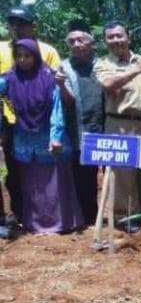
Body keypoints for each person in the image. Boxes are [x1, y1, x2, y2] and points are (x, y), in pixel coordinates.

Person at [0, 40, 83, 233]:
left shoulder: (49, 78)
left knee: (55, 183)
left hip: (50, 137)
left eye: (27, 55)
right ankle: (34, 224)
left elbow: (57, 110)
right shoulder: (9, 79)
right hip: (24, 139)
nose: (23, 60)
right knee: (31, 184)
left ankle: (61, 224)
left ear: (36, 56)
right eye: (18, 56)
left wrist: (56, 137)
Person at [0, 6, 61, 229]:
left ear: (33, 25)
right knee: (15, 172)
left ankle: (49, 217)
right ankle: (20, 215)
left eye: (22, 23)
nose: (17, 27)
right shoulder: (0, 49)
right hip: (10, 122)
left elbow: (55, 85)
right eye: (13, 23)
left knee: (46, 171)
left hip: (43, 123)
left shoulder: (48, 51)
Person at [94, 22, 141, 224]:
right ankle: (125, 217)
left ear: (128, 38)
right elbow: (108, 85)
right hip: (120, 124)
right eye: (110, 37)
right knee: (122, 173)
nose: (115, 40)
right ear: (104, 41)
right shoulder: (103, 64)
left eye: (119, 36)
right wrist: (136, 70)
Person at [57, 24, 104, 224]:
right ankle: (89, 218)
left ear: (91, 41)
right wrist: (61, 85)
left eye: (80, 40)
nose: (76, 44)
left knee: (115, 174)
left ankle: (120, 216)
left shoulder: (103, 64)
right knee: (85, 177)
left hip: (108, 128)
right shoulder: (64, 67)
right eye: (71, 41)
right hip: (80, 130)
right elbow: (69, 101)